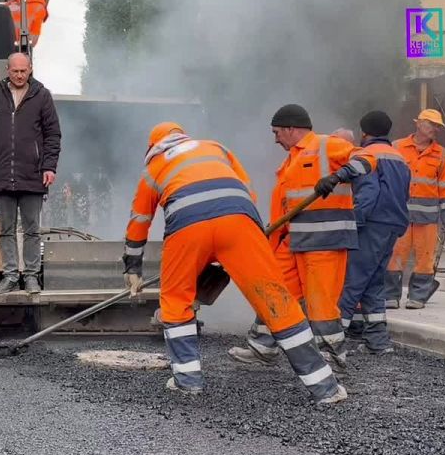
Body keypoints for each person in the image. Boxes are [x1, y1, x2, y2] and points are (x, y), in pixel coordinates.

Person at [125, 122, 345, 404]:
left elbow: (139, 220)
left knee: (176, 299)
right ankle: (324, 387)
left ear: (152, 146)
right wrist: (237, 242)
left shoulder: (154, 167)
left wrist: (132, 267)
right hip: (240, 220)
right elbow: (248, 191)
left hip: (187, 229)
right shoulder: (216, 147)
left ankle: (187, 381)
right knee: (275, 298)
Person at [228, 104, 376, 366]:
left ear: (290, 128)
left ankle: (333, 361)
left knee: (321, 306)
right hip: (294, 241)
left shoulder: (325, 144)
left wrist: (340, 174)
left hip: (325, 244)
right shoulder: (291, 161)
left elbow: (367, 159)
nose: (275, 139)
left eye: (277, 133)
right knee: (274, 291)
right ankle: (263, 347)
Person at [0, 52, 61, 294]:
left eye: (24, 71)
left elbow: (53, 134)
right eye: (15, 71)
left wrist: (49, 167)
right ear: (7, 70)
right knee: (6, 230)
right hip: (0, 173)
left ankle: (31, 276)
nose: (20, 75)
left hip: (33, 174)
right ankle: (10, 276)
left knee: (32, 229)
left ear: (30, 69)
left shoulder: (42, 96)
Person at [328, 111, 411, 363]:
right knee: (374, 282)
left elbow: (368, 192)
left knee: (351, 281)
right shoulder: (400, 157)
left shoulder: (365, 155)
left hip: (371, 225)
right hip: (393, 225)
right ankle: (378, 341)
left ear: (364, 133)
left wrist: (354, 223)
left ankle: (332, 341)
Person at [385, 109, 445, 309]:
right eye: (432, 125)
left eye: (438, 126)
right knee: (395, 254)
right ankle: (390, 295)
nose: (436, 129)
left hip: (428, 217)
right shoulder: (396, 147)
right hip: (400, 215)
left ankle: (418, 296)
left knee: (425, 258)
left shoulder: (441, 154)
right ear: (419, 124)